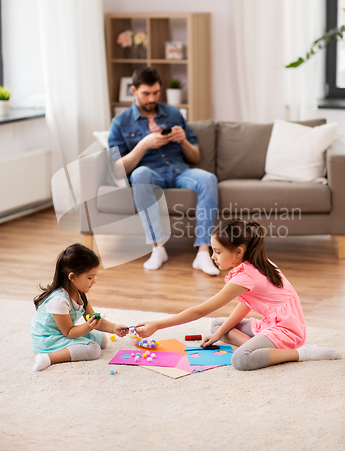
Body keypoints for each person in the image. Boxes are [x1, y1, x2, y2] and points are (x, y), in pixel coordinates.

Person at [135, 219, 341, 371]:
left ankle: (304, 353)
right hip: (272, 323)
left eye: (217, 251)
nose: (213, 256)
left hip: (287, 329)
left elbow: (200, 310)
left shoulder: (246, 276)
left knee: (241, 360)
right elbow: (245, 305)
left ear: (239, 252)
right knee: (217, 326)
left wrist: (158, 324)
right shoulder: (255, 262)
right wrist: (219, 335)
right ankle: (260, 349)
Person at [108, 67, 219, 275]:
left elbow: (195, 156)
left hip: (179, 171)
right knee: (139, 174)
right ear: (134, 91)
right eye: (146, 93)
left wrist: (183, 140)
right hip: (151, 172)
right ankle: (158, 248)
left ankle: (203, 251)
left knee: (208, 179)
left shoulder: (173, 113)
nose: (152, 98)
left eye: (156, 93)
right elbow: (116, 170)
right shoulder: (120, 123)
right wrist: (143, 144)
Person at [30, 243, 128, 372]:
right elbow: (69, 333)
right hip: (48, 338)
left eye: (94, 276)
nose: (94, 281)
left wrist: (113, 328)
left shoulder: (79, 293)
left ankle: (57, 353)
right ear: (72, 277)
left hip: (63, 332)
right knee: (94, 349)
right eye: (90, 277)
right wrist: (88, 327)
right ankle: (47, 358)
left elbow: (93, 318)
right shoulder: (59, 300)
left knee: (103, 339)